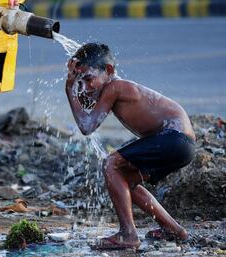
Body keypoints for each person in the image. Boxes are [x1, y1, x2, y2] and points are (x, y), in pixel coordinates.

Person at [65, 43, 196, 250]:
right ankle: (174, 229)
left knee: (111, 164)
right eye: (82, 81)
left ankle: (128, 234)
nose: (86, 86)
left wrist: (68, 88)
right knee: (125, 180)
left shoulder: (115, 87)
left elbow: (87, 126)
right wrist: (76, 85)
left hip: (174, 137)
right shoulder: (109, 88)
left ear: (108, 70)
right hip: (180, 143)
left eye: (89, 79)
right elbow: (86, 108)